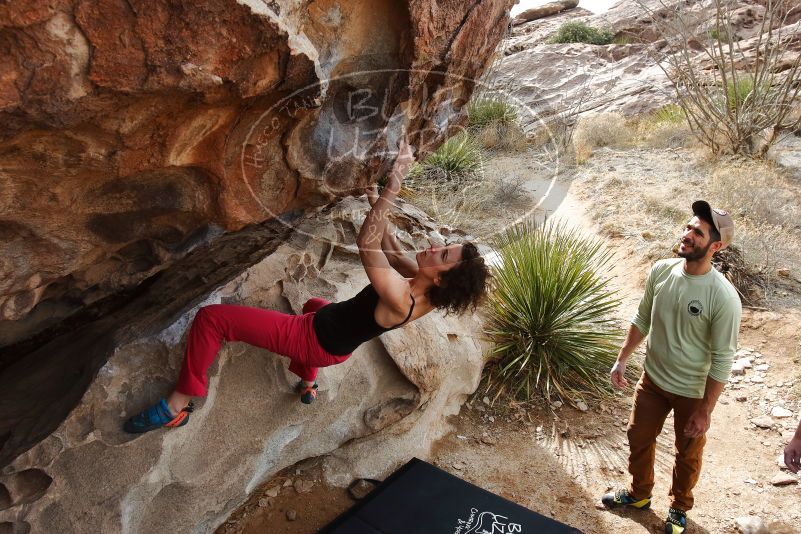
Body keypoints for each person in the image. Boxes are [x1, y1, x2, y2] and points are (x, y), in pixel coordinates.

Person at [123, 138, 490, 433]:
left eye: (442, 254)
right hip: (334, 342)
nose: (434, 247)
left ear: (441, 276)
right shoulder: (425, 290)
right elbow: (391, 249)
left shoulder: (400, 297)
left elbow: (369, 243)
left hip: (312, 340)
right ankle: (308, 382)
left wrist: (395, 184)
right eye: (444, 245)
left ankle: (176, 404)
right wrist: (373, 196)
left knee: (211, 320)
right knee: (315, 303)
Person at [601, 201, 741, 534]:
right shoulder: (661, 271)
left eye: (698, 232)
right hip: (653, 380)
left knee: (687, 453)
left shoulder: (723, 297)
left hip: (691, 391)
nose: (688, 235)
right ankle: (638, 494)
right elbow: (642, 319)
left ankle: (679, 507)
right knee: (638, 436)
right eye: (688, 227)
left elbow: (723, 359)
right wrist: (622, 359)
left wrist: (705, 409)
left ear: (716, 246)